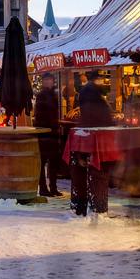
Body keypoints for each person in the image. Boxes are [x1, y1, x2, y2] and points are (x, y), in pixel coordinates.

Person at [69, 69, 115, 216]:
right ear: (95, 79)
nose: (101, 81)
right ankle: (93, 205)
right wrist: (110, 122)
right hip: (94, 133)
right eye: (100, 78)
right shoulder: (93, 92)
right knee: (95, 168)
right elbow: (100, 112)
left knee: (84, 168)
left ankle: (81, 204)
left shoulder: (86, 91)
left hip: (87, 132)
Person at [32, 73, 62, 197]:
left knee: (54, 162)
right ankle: (43, 188)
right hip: (44, 133)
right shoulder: (41, 96)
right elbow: (39, 115)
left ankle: (53, 187)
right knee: (43, 161)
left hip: (53, 132)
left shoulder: (54, 95)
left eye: (50, 80)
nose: (49, 82)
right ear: (43, 82)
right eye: (46, 80)